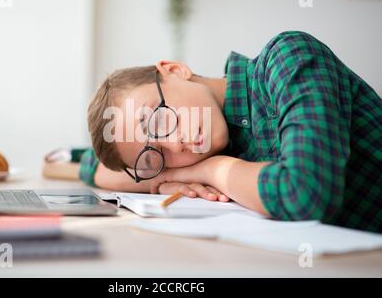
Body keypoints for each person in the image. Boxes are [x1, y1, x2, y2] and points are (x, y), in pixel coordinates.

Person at [79, 31, 382, 232]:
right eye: (155, 155)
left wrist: (212, 170)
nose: (176, 144)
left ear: (174, 70)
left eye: (156, 121)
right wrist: (163, 176)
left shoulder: (288, 58)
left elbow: (305, 193)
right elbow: (94, 166)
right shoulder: (211, 140)